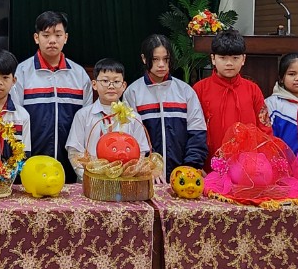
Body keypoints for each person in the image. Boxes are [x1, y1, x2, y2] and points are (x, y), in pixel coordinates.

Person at [10, 11, 92, 184]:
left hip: (70, 165)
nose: (52, 40)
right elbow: (15, 119)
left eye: (58, 35)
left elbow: (86, 122)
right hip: (31, 162)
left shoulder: (79, 75)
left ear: (66, 38)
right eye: (46, 35)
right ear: (36, 38)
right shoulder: (22, 72)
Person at [122, 34, 206, 177]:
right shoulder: (133, 92)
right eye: (155, 59)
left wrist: (190, 166)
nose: (161, 64)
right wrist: (148, 168)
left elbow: (197, 132)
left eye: (165, 59)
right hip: (147, 175)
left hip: (183, 175)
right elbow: (130, 139)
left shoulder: (185, 91)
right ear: (144, 58)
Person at [65, 59, 149, 181]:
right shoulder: (83, 115)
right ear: (94, 84)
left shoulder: (133, 117)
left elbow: (141, 152)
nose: (111, 86)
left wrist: (128, 175)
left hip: (125, 183)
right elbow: (75, 152)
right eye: (105, 81)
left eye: (116, 81)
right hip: (90, 182)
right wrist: (89, 178)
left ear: (124, 86)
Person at [191, 29, 269, 159]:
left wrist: (263, 158)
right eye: (223, 58)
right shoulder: (199, 89)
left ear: (243, 59)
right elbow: (193, 129)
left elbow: (264, 127)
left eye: (235, 58)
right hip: (210, 161)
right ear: (213, 59)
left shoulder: (253, 89)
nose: (229, 63)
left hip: (247, 162)